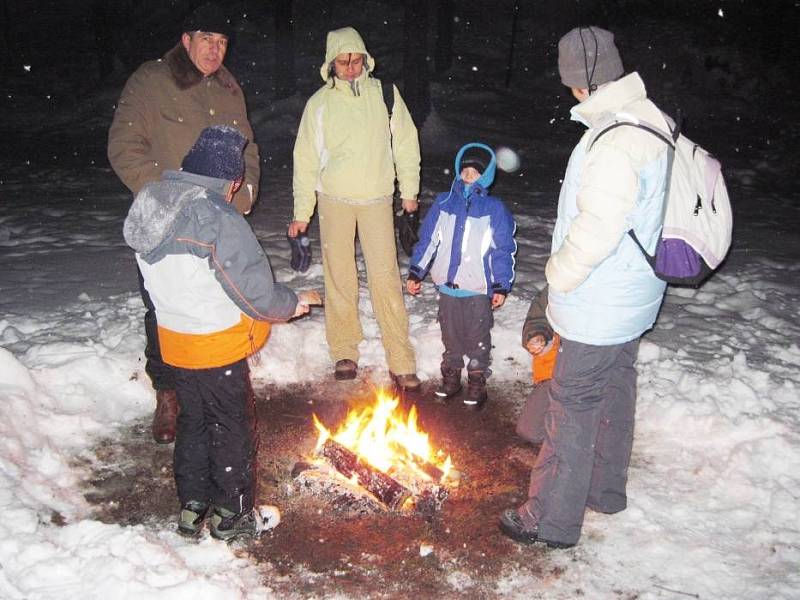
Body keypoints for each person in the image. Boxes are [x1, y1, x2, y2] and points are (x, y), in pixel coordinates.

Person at [499, 26, 671, 548]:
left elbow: (596, 230)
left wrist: (557, 278)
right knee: (616, 389)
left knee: (570, 408)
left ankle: (549, 519)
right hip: (636, 292)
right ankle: (604, 490)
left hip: (601, 300)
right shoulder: (650, 119)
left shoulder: (613, 141)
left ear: (577, 84)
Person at [123, 125, 317, 540]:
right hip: (216, 343)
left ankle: (192, 510)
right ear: (231, 181)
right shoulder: (216, 216)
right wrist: (289, 304)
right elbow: (252, 290)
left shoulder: (153, 202)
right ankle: (233, 516)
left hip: (175, 341)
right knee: (231, 426)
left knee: (193, 421)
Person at [108, 3, 260, 445]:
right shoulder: (152, 81)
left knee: (224, 300)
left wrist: (245, 193)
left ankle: (227, 387)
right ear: (186, 39)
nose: (215, 50)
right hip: (166, 221)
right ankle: (169, 392)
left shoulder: (230, 88)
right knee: (166, 309)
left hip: (221, 220)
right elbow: (124, 146)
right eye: (207, 40)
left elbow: (247, 148)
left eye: (222, 42)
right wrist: (162, 196)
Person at [288, 26, 421, 391]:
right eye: (342, 61)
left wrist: (409, 192)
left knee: (385, 278)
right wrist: (302, 212)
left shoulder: (385, 95)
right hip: (334, 200)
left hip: (378, 198)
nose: (350, 67)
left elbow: (406, 144)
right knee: (340, 277)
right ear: (331, 64)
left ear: (365, 59)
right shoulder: (319, 104)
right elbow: (306, 160)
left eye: (356, 59)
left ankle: (400, 357)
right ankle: (344, 349)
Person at [406, 144, 517, 410]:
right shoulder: (444, 203)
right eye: (465, 170)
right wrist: (416, 271)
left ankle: (477, 381)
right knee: (451, 336)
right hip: (448, 287)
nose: (469, 176)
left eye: (475, 172)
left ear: (486, 176)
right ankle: (451, 377)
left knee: (478, 337)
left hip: (478, 288)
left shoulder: (494, 209)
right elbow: (428, 241)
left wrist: (501, 285)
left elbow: (503, 249)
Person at [515, 286, 560, 445]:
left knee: (572, 436)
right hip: (553, 375)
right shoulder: (562, 278)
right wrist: (537, 335)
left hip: (590, 377)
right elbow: (539, 317)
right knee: (530, 430)